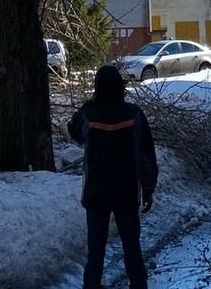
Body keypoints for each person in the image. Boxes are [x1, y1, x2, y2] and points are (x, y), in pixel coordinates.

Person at [67, 64, 158, 289]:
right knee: (132, 248)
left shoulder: (89, 115)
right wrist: (148, 188)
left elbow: (74, 131)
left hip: (96, 194)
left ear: (97, 87)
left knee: (95, 252)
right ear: (121, 86)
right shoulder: (134, 114)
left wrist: (88, 106)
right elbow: (147, 155)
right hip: (126, 192)